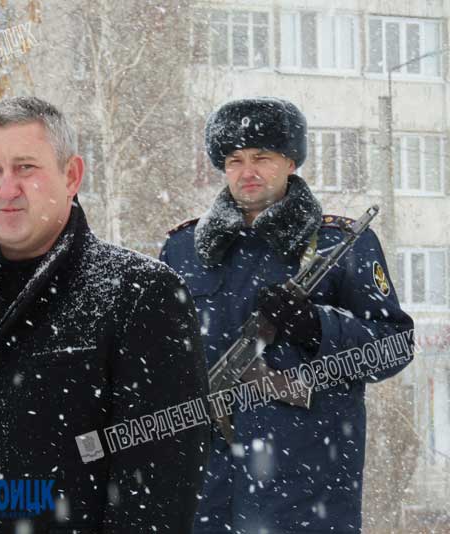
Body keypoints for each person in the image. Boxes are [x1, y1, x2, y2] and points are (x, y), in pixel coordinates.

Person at [0, 96, 209, 533]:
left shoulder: (140, 294)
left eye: (25, 167)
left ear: (72, 176)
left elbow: (159, 491)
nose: (7, 188)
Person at [160, 97, 415, 533]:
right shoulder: (184, 249)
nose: (248, 171)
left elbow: (394, 348)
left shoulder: (340, 245)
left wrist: (320, 327)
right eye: (234, 160)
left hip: (306, 493)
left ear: (291, 161)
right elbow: (159, 359)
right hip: (205, 495)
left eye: (262, 157)